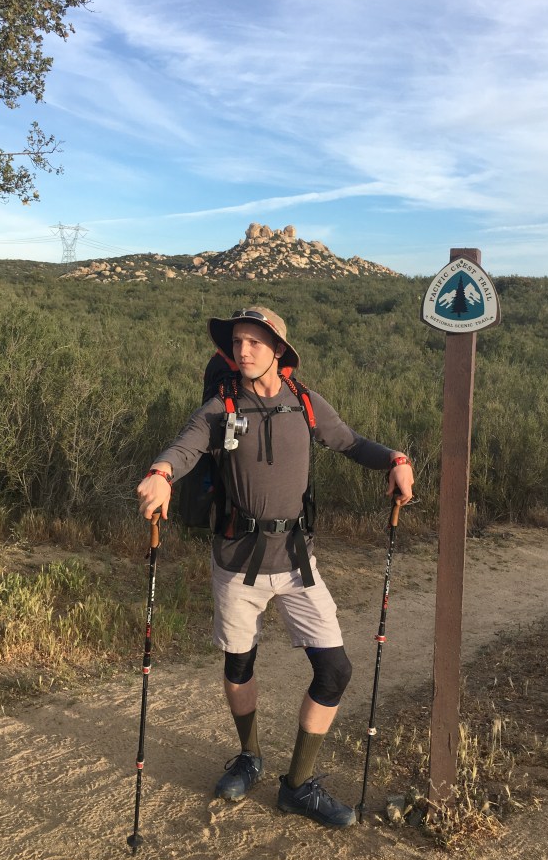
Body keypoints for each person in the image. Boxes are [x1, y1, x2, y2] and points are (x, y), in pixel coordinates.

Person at [136, 305, 413, 828]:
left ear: (279, 351)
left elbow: (352, 443)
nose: (242, 351)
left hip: (296, 561)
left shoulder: (304, 403)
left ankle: (297, 786)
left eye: (255, 343)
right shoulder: (221, 406)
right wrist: (160, 473)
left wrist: (396, 460)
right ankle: (250, 756)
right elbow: (184, 447)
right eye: (237, 342)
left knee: (335, 671)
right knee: (239, 664)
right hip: (236, 561)